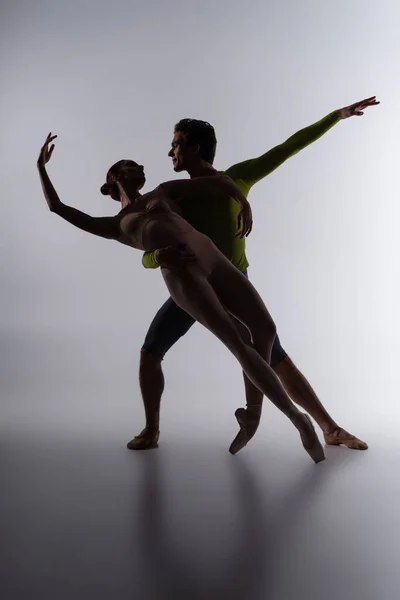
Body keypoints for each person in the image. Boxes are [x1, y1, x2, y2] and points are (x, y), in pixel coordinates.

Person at [37, 133, 325, 462]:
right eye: (131, 165)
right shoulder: (116, 224)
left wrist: (244, 202)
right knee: (236, 340)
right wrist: (41, 169)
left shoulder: (164, 190)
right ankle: (297, 418)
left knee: (265, 329)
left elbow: (221, 183)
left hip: (209, 253)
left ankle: (252, 415)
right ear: (115, 177)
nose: (141, 165)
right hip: (182, 273)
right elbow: (57, 208)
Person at [130, 96, 379, 451]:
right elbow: (140, 249)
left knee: (275, 356)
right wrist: (158, 257)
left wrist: (335, 117)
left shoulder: (237, 178)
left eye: (175, 144)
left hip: (234, 288)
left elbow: (288, 147)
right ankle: (151, 429)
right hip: (192, 290)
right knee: (151, 351)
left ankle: (329, 428)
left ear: (194, 147)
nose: (170, 152)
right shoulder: (169, 198)